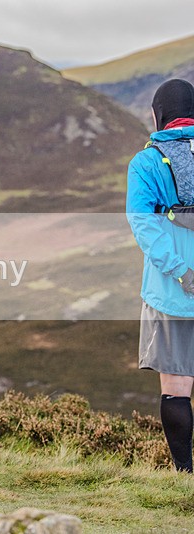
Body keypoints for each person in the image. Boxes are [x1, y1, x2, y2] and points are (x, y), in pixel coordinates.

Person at [127, 78, 194, 472]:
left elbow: (144, 226)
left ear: (159, 114)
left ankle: (185, 474)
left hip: (171, 292)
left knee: (176, 387)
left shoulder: (147, 162)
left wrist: (182, 271)